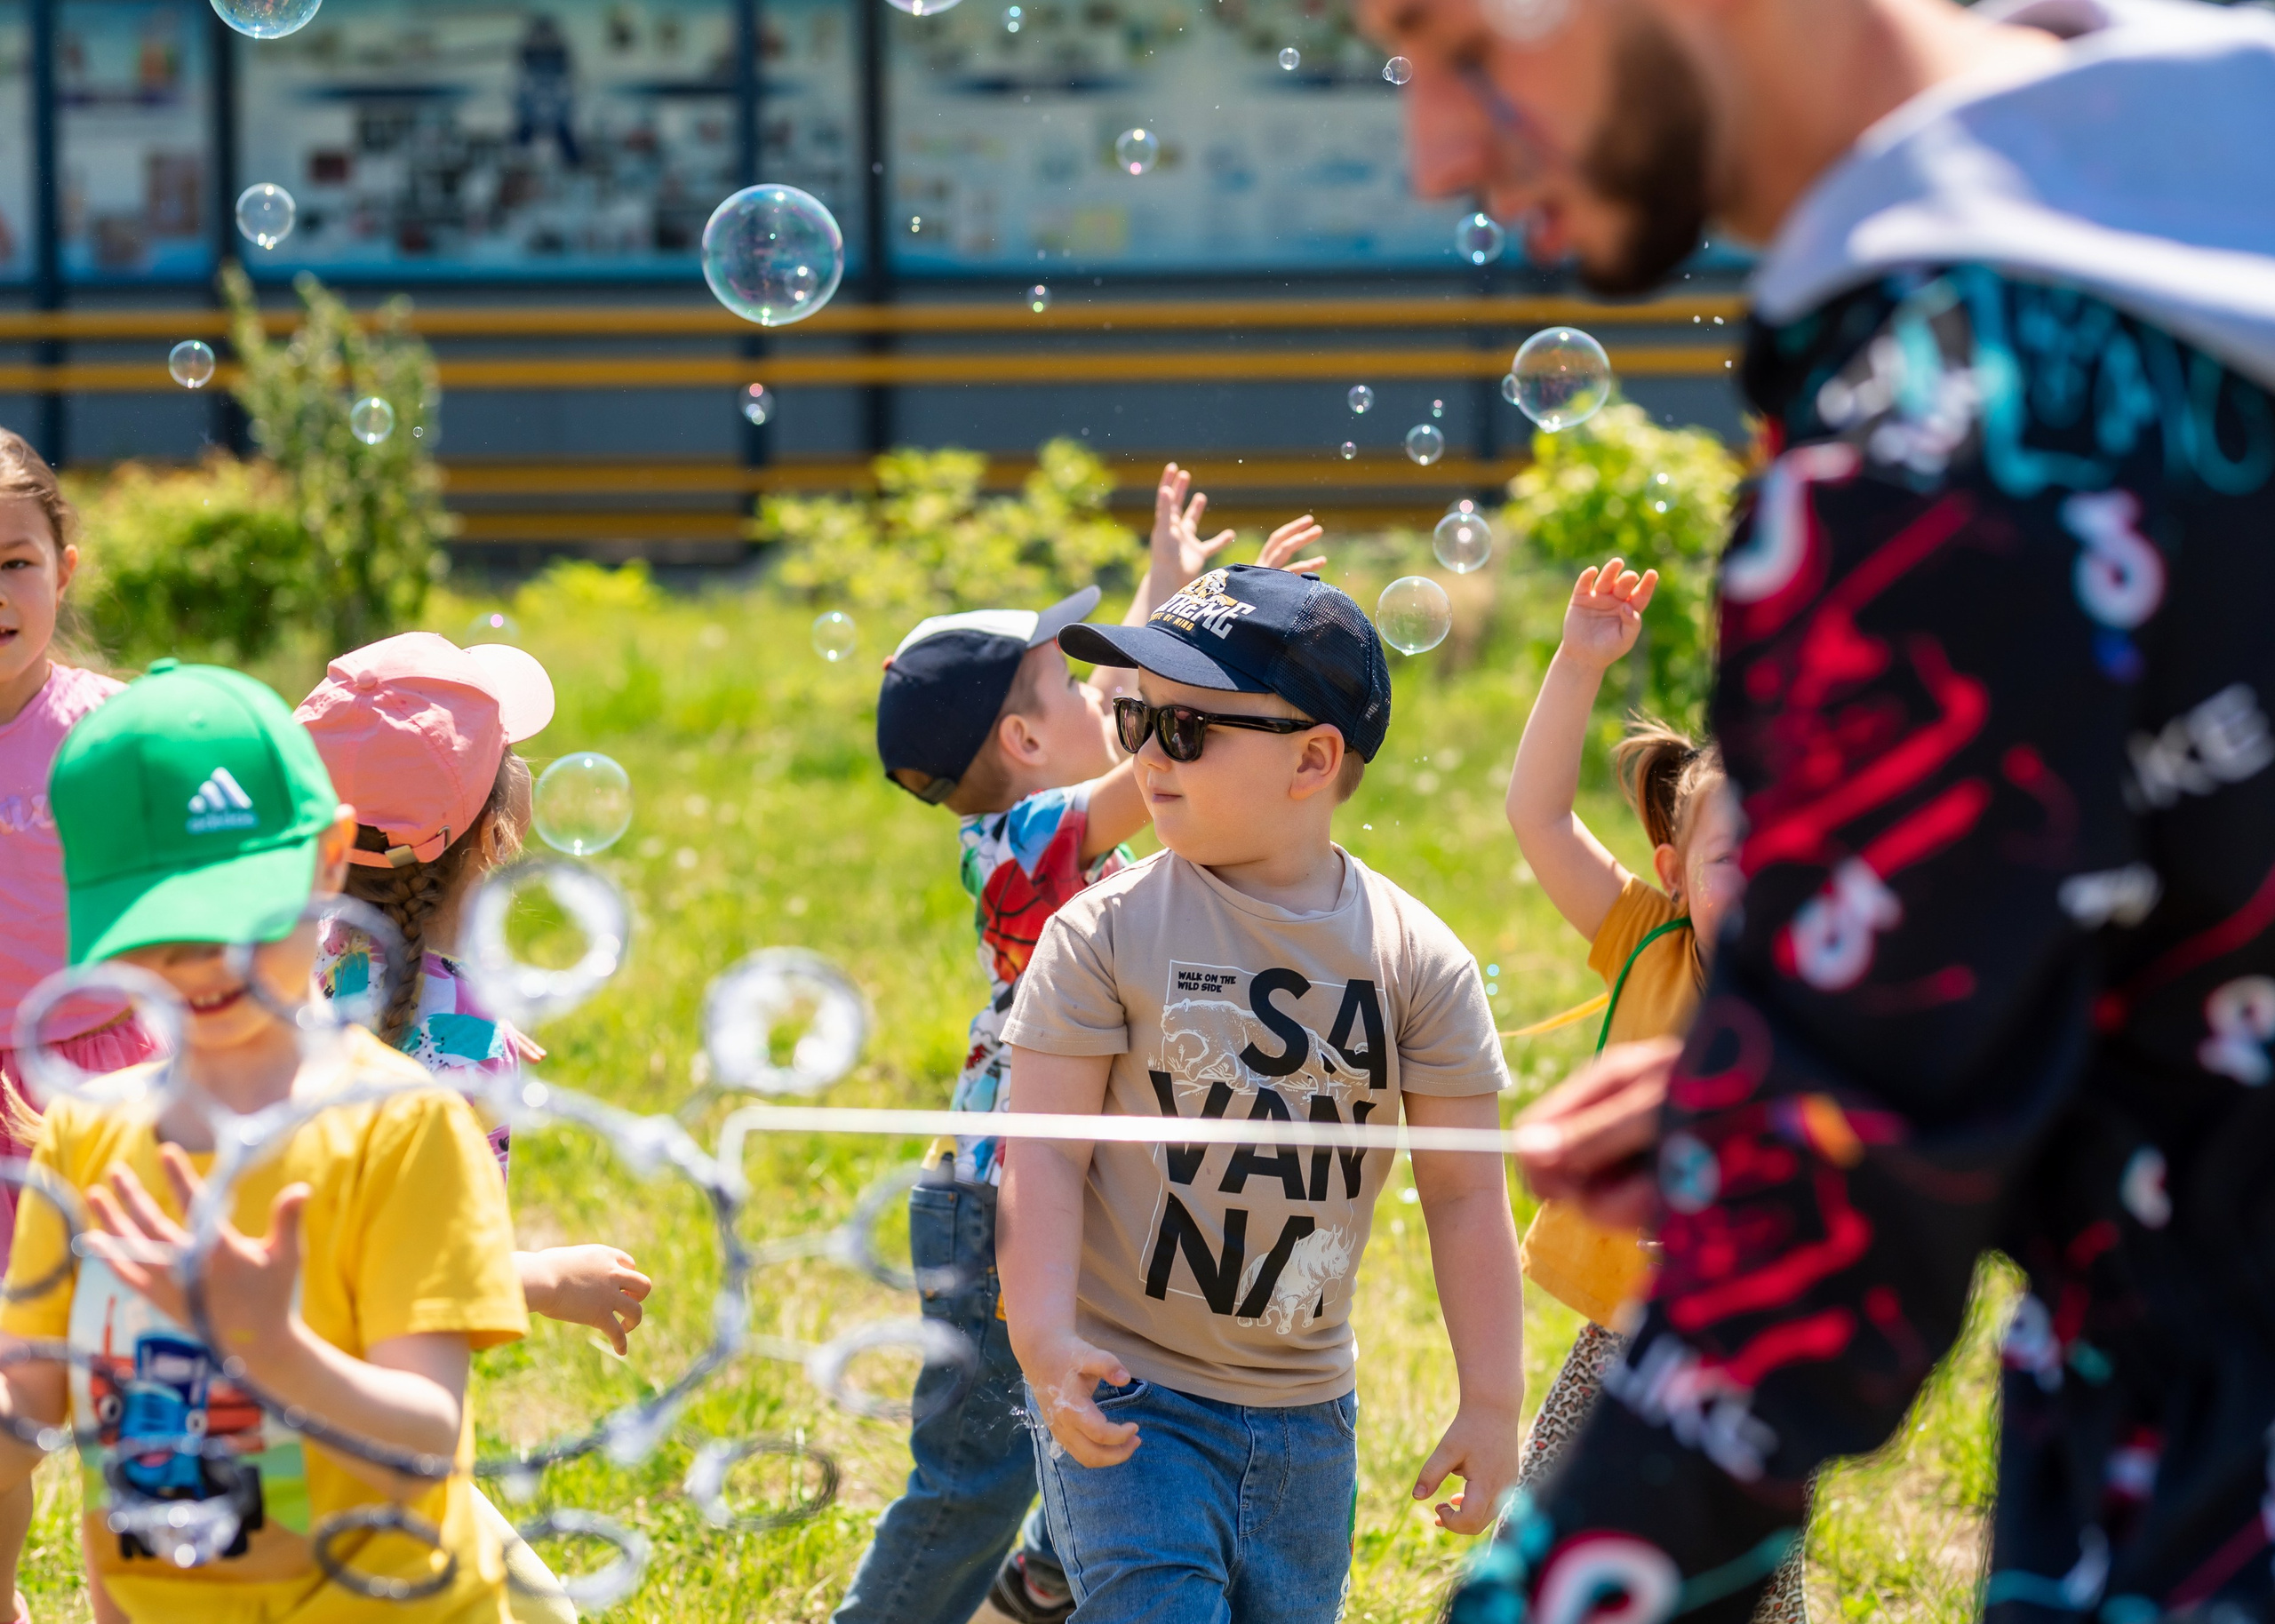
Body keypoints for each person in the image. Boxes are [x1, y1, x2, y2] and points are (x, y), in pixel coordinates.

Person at [1358, 0, 2275, 1616]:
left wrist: (1813, 1125)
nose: (1435, 150)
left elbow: (1786, 1312)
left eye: (1464, 39)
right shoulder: (2206, 220)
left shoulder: (1941, 442)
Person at [834, 466, 1322, 1624]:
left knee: (1111, 1411)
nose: (1109, 697)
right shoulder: (1020, 840)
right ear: (1021, 738)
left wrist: (1174, 591)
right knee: (972, 1477)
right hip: (995, 1199)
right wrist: (1221, 665)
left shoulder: (1050, 804)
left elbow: (1124, 729)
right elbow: (1142, 766)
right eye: (1071, 684)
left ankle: (1046, 1582)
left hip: (1090, 1192)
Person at [997, 563, 1526, 1623]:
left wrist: (1491, 1400)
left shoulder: (1418, 961)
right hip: (1128, 1387)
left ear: (1314, 758)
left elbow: (1466, 1196)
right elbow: (1042, 1152)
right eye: (1137, 718)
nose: (1147, 753)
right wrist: (1043, 1339)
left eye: (1187, 730)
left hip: (1304, 1417)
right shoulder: (1101, 932)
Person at [0, 660, 527, 1622]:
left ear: (328, 857)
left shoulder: (406, 1127)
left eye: (235, 915)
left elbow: (424, 1437)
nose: (196, 962)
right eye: (151, 930)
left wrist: (268, 1341)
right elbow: (29, 1398)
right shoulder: (87, 1133)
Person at [296, 630, 661, 1624]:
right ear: (497, 835)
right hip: (376, 1448)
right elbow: (387, 1274)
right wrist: (548, 1279)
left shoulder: (320, 970)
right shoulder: (442, 1052)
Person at [1505, 558, 1814, 1621]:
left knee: (1745, 1580)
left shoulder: (1830, 996)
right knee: (1544, 1546)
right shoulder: (1648, 939)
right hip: (1624, 1340)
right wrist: (1579, 663)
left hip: (1757, 1353)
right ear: (1676, 870)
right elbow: (1538, 817)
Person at [0, 429, 160, 1623]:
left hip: (106, 1089)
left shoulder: (118, 736)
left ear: (65, 565)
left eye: (12, 562)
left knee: (134, 1376)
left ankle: (137, 1605)